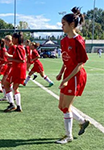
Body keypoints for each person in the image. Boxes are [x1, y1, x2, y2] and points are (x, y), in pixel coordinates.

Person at [55, 7, 90, 144]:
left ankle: (68, 136)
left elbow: (79, 64)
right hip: (67, 75)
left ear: (71, 25)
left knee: (66, 107)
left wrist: (66, 79)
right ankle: (82, 121)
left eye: (63, 24)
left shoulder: (79, 41)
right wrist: (61, 72)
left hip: (76, 76)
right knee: (62, 106)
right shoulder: (64, 41)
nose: (61, 26)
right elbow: (66, 59)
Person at [3, 32, 26, 112]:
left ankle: (12, 104)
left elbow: (22, 60)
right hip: (20, 69)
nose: (12, 40)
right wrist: (10, 57)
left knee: (6, 84)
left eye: (13, 38)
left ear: (16, 39)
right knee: (15, 88)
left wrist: (11, 59)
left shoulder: (18, 47)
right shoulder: (20, 47)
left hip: (18, 69)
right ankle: (18, 106)